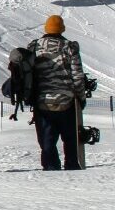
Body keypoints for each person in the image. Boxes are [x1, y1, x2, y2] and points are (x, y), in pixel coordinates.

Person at [29, 15, 87, 170]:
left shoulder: (34, 47)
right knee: (71, 142)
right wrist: (81, 98)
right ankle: (72, 169)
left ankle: (51, 170)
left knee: (47, 145)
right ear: (62, 29)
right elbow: (78, 76)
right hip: (67, 104)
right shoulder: (70, 47)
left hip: (42, 104)